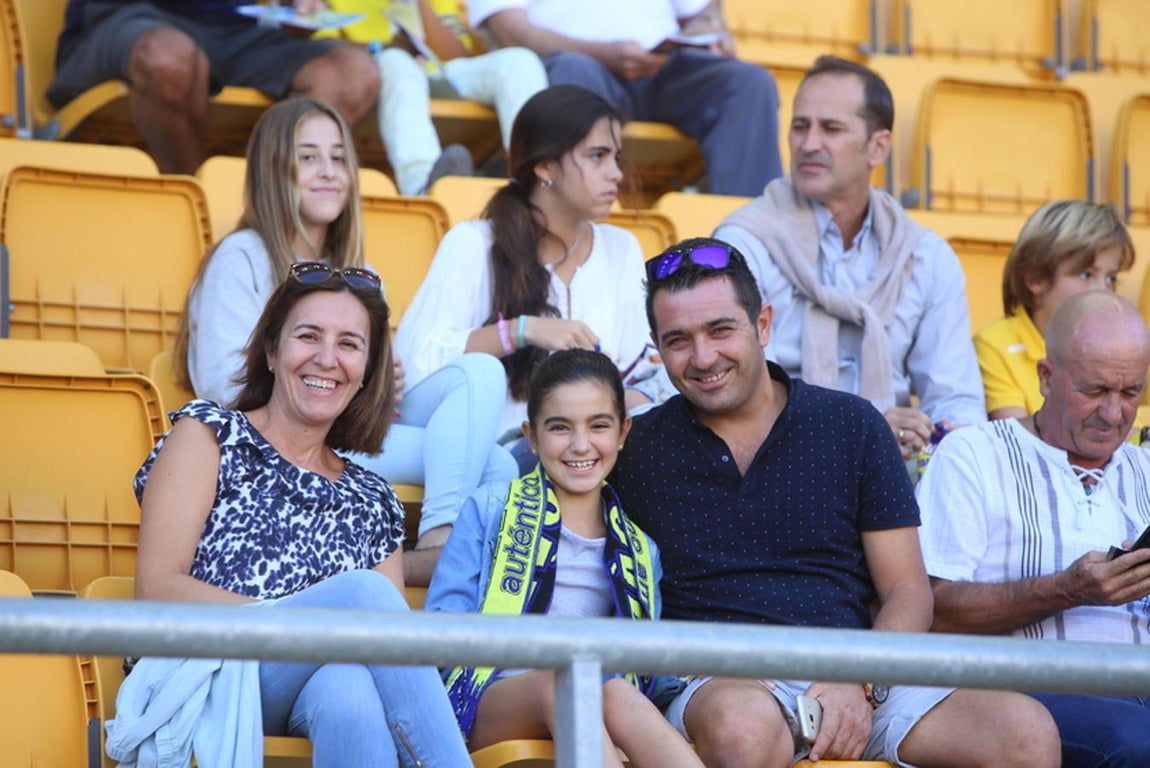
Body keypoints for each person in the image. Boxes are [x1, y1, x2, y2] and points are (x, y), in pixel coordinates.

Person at [609, 236, 1060, 768]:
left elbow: (908, 590)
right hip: (717, 678)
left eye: (721, 330)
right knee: (745, 727)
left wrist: (859, 681)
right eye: (678, 340)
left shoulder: (850, 423)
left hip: (858, 669)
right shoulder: (632, 446)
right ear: (656, 350)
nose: (703, 357)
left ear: (763, 325)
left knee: (1024, 732)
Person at [130, 266, 473, 766]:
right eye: (309, 336)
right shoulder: (210, 434)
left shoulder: (373, 499)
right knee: (363, 594)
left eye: (350, 344)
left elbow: (388, 660)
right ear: (272, 351)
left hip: (301, 692)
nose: (327, 358)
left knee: (349, 688)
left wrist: (314, 626)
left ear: (367, 372)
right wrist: (304, 618)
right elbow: (156, 588)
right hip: (204, 674)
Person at [176, 97, 517, 587]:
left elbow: (370, 380)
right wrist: (313, 374)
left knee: (485, 388)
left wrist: (384, 376)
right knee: (492, 464)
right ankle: (433, 566)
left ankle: (438, 544)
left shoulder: (360, 274)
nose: (329, 171)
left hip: (349, 424)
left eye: (339, 158)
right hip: (282, 438)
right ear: (276, 169)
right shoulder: (242, 257)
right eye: (309, 156)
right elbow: (220, 388)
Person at [425, 349, 702, 767]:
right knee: (568, 683)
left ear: (624, 431)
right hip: (481, 701)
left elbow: (651, 676)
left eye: (599, 425)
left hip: (590, 701)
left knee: (619, 692)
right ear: (531, 437)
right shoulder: (491, 509)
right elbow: (442, 633)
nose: (580, 444)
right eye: (559, 427)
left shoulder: (640, 549)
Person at [917, 290, 1150, 768]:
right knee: (1133, 741)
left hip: (1139, 688)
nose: (1113, 413)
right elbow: (929, 608)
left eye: (1131, 393)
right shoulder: (973, 454)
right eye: (1094, 391)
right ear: (1044, 377)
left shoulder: (1145, 467)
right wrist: (1066, 590)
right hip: (1022, 691)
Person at [715, 55, 985, 461]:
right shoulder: (744, 242)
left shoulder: (925, 256)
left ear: (878, 147)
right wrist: (866, 433)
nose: (809, 144)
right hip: (771, 464)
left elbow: (956, 400)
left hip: (896, 470)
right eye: (800, 126)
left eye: (831, 129)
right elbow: (739, 394)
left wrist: (932, 439)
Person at [395, 85, 667, 474]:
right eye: (597, 156)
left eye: (616, 157)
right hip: (495, 456)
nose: (616, 173)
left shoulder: (622, 247)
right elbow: (419, 369)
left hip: (593, 454)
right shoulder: (472, 243)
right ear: (545, 167)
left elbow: (641, 367)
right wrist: (521, 331)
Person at [465, 0, 781, 196]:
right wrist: (602, 54)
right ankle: (572, 234)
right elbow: (510, 30)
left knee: (748, 84)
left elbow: (703, 10)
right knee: (571, 77)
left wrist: (709, 31)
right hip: (577, 67)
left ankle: (749, 251)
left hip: (662, 66)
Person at [47, 1, 381, 175]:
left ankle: (259, 213)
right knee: (169, 60)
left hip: (237, 27)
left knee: (353, 75)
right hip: (126, 17)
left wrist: (298, 8)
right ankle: (192, 202)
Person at [324, 0, 547, 195]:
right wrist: (381, 46)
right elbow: (322, 53)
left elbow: (454, 57)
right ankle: (425, 186)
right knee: (397, 60)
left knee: (520, 61)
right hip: (380, 75)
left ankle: (533, 181)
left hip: (442, 73)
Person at [974, 200, 1136, 420]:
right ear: (1036, 278)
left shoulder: (1113, 349)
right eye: (1086, 275)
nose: (1103, 292)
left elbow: (1127, 435)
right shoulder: (994, 344)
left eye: (1111, 278)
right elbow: (1016, 439)